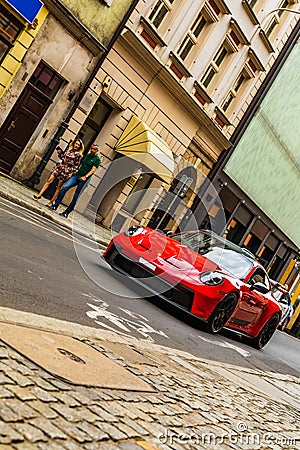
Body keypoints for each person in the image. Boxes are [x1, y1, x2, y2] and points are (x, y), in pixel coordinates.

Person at [49, 143, 101, 218]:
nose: (92, 150)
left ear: (97, 151)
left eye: (94, 149)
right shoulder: (87, 155)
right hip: (77, 175)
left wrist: (85, 176)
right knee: (64, 188)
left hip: (84, 179)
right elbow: (79, 163)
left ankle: (66, 213)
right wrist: (74, 171)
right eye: (91, 148)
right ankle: (55, 205)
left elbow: (93, 170)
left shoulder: (97, 160)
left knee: (76, 196)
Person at [33, 139, 84, 206]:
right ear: (73, 143)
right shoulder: (69, 150)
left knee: (59, 186)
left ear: (80, 147)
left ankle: (51, 202)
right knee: (49, 180)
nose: (76, 145)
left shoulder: (79, 155)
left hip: (66, 170)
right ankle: (39, 195)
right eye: (76, 143)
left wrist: (70, 173)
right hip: (60, 166)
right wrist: (59, 152)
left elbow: (76, 166)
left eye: (78, 145)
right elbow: (63, 157)